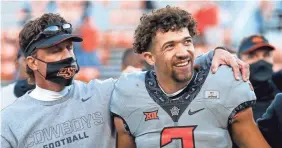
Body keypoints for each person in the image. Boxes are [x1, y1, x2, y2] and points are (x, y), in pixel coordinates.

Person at [1, 13, 249, 148]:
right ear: (32, 62)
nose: (67, 56)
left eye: (69, 48)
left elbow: (166, 66)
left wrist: (212, 54)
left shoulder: (107, 92)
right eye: (55, 51)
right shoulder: (10, 121)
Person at [110, 6, 269, 148]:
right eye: (170, 46)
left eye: (187, 42)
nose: (183, 52)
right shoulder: (129, 92)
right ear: (150, 58)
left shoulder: (223, 80)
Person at [237, 34, 281, 120]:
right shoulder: (233, 101)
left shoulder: (279, 88)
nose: (261, 61)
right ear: (239, 62)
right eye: (252, 56)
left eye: (266, 55)